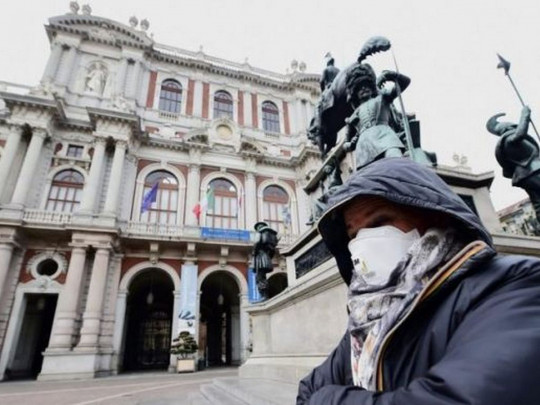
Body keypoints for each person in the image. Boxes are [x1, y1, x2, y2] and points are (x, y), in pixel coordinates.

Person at [297, 157, 540, 405]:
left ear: (434, 216)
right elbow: (307, 389)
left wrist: (325, 399)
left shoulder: (514, 287)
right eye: (354, 235)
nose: (363, 242)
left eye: (379, 222)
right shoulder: (366, 320)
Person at [344, 66, 409, 169]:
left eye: (366, 85)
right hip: (365, 145)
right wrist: (351, 144)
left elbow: (405, 82)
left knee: (397, 163)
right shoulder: (352, 118)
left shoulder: (383, 98)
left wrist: (392, 75)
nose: (363, 88)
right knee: (370, 175)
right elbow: (346, 144)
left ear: (372, 87)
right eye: (359, 88)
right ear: (355, 93)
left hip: (385, 136)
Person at [487, 105, 540, 221]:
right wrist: (525, 115)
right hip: (532, 172)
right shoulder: (508, 140)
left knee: (538, 203)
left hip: (527, 175)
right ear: (509, 128)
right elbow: (520, 134)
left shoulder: (504, 146)